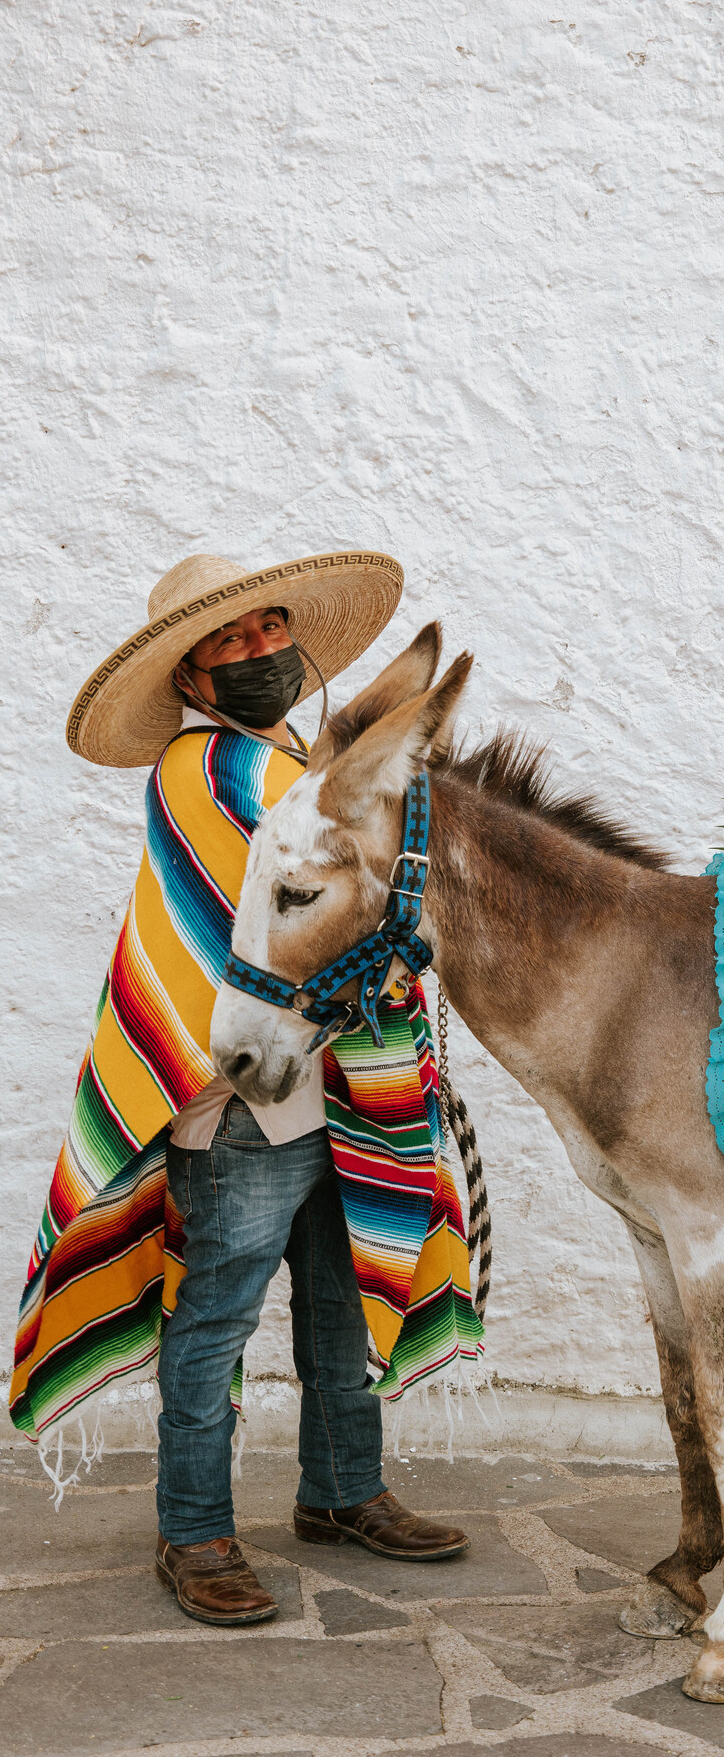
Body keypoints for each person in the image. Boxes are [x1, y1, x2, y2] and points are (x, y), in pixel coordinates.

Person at [11, 553, 482, 1626]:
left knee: (337, 1302)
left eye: (268, 631)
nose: (258, 652)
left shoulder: (293, 761)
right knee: (215, 1317)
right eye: (227, 645)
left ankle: (343, 1493)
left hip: (342, 1092)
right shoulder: (211, 775)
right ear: (190, 679)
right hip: (244, 1110)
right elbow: (323, 903)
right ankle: (193, 1533)